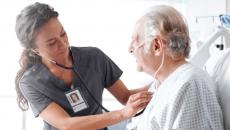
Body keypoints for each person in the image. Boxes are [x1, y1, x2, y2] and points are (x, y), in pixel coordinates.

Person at [15, 2, 152, 130]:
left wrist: (160, 82)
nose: (63, 44)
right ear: (35, 50)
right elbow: (66, 125)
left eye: (63, 34)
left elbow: (126, 97)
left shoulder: (94, 57)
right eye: (51, 43)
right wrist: (122, 114)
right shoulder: (29, 83)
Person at [127, 5, 224, 130]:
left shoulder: (189, 85)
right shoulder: (162, 83)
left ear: (156, 46)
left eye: (135, 41)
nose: (129, 48)